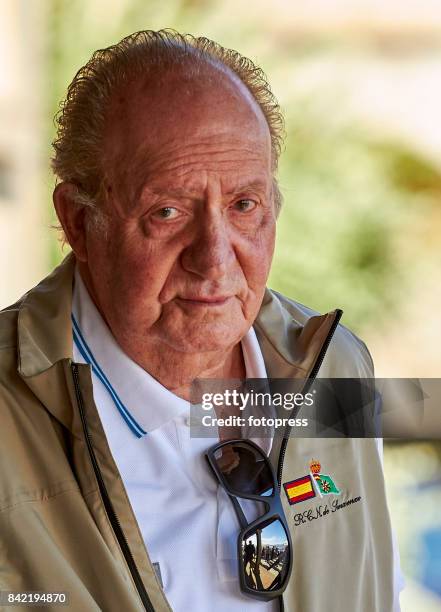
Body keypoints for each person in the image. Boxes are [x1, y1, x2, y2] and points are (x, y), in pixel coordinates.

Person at [0, 30, 402, 612]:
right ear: (79, 221)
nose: (214, 258)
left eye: (244, 206)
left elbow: (373, 585)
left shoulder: (334, 366)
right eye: (167, 211)